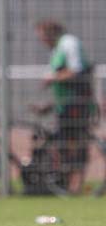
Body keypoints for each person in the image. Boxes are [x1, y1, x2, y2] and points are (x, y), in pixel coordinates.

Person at [31, 19, 96, 194]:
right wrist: (50, 105)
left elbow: (76, 71)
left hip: (77, 104)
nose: (41, 41)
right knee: (63, 143)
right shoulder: (57, 49)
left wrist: (51, 78)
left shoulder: (69, 43)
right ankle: (64, 185)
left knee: (76, 143)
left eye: (42, 36)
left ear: (51, 33)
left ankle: (76, 185)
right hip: (65, 104)